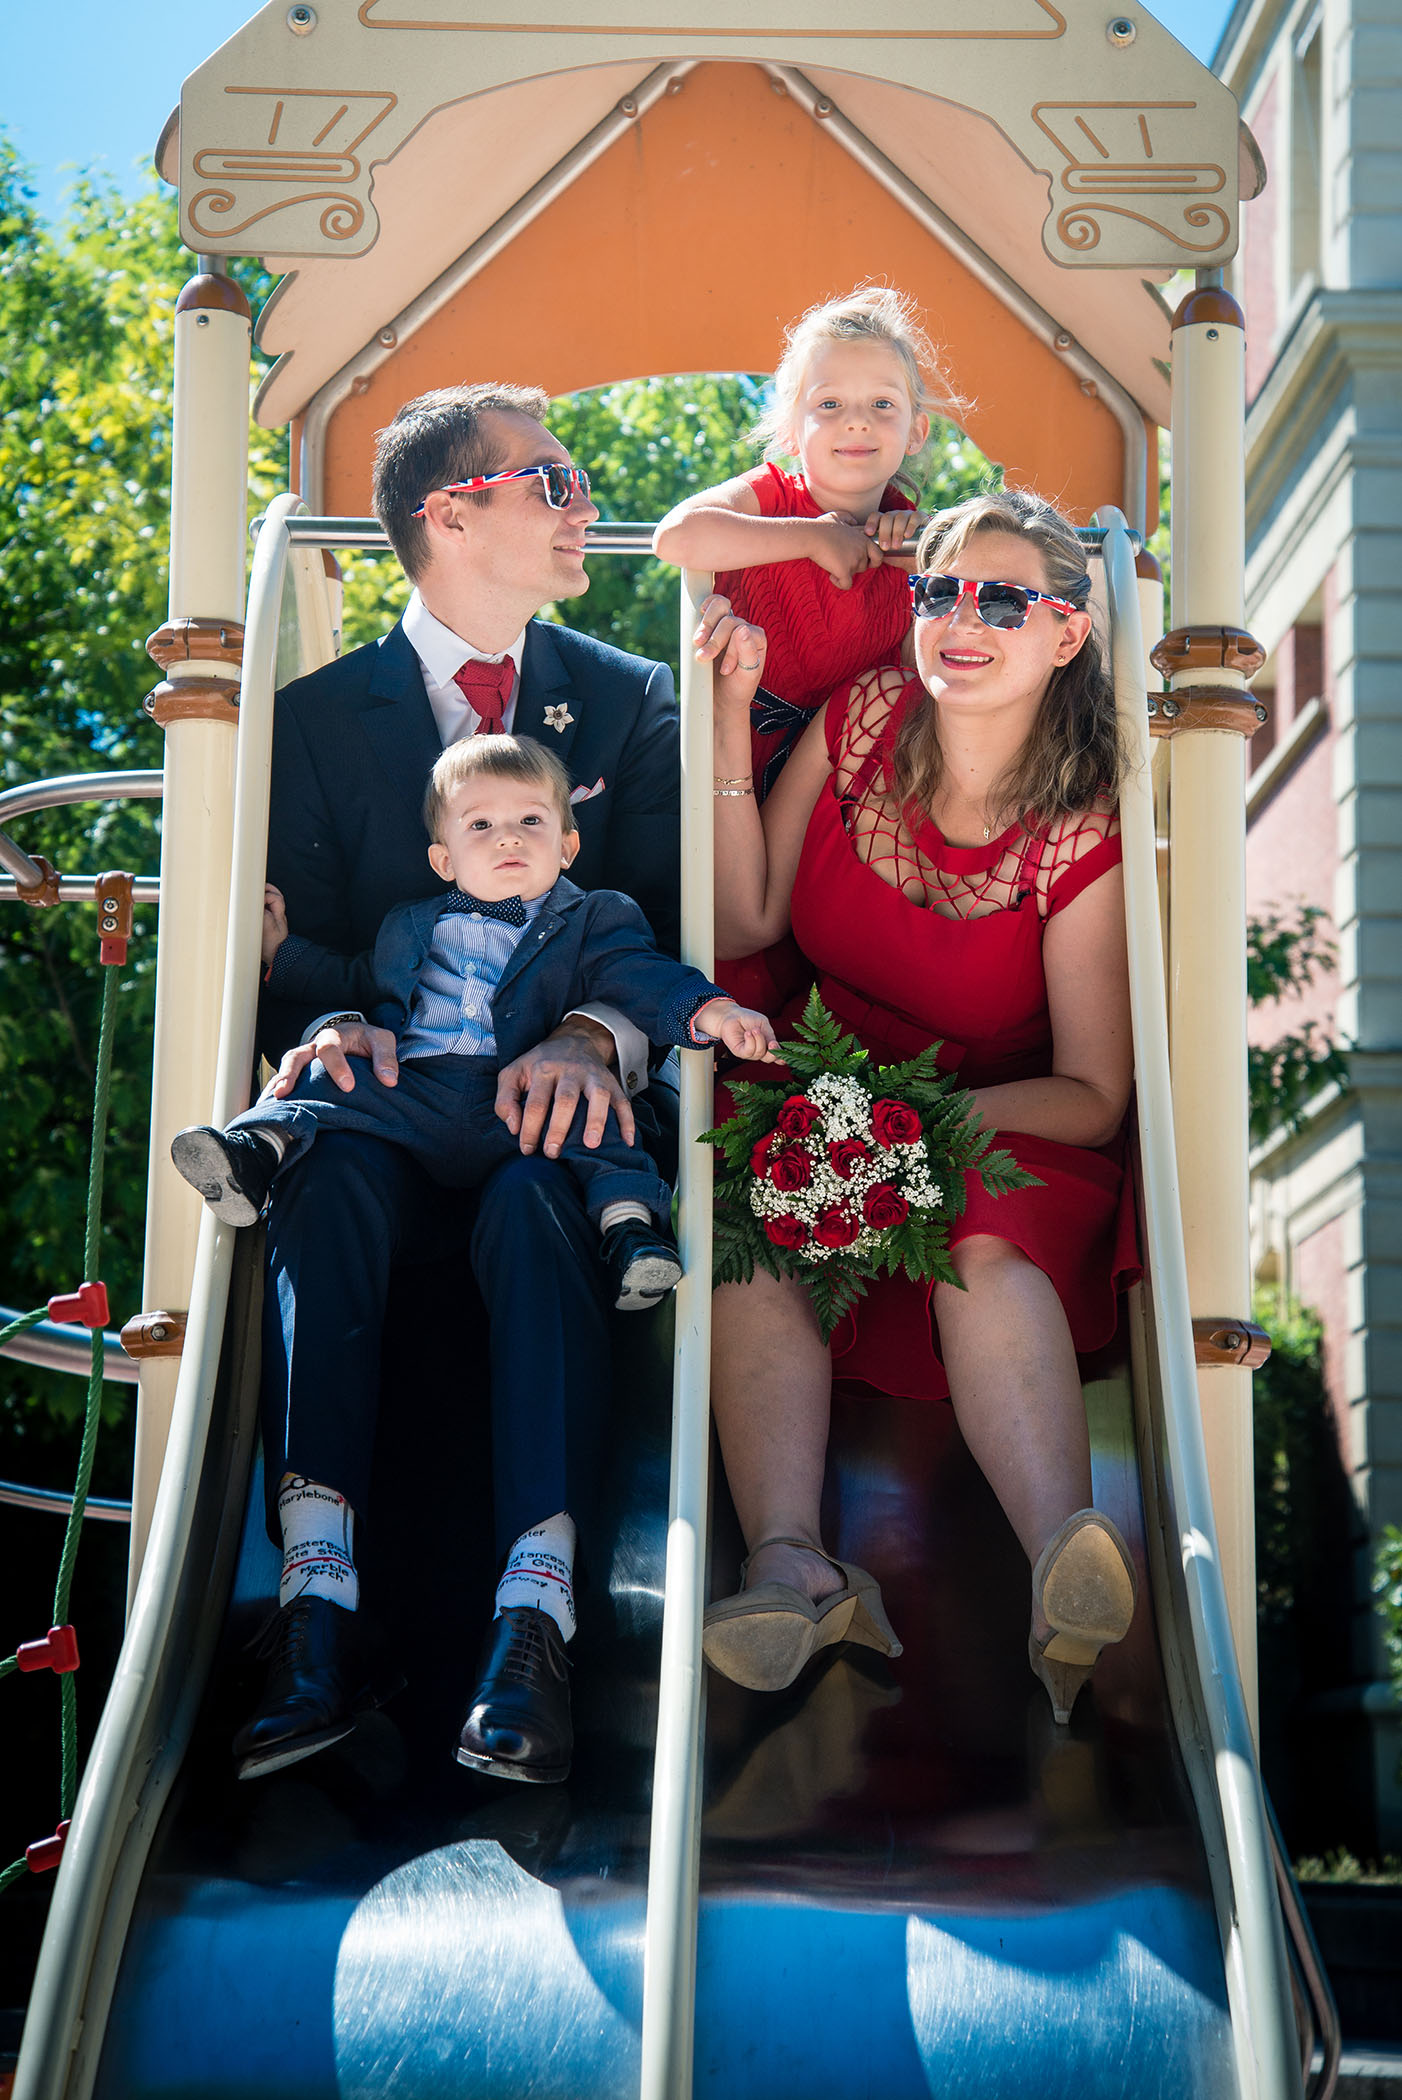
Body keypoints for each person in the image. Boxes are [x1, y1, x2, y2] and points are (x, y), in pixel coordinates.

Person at [237, 383, 684, 1787]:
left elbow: (665, 922)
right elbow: (284, 945)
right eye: (553, 482)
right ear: (451, 513)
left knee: (538, 1203)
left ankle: (535, 1631)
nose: (583, 506)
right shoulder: (307, 719)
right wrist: (330, 1021)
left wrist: (595, 1035)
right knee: (323, 1186)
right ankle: (314, 1612)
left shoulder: (629, 697)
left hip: (537, 1130)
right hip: (389, 1107)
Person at [697, 487, 1141, 1726]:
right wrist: (730, 716)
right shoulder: (859, 720)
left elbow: (1094, 1092)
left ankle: (1062, 1565)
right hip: (818, 1082)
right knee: (747, 1234)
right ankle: (791, 1563)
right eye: (939, 591)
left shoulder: (1082, 829)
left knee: (979, 1235)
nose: (961, 619)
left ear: (1065, 633)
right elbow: (745, 920)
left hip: (1003, 1115)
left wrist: (914, 1130)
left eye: (1002, 600)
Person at [174, 734, 775, 1307]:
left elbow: (643, 976)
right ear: (444, 860)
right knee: (324, 1074)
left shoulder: (593, 917)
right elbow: (353, 980)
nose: (508, 837)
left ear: (568, 846)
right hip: (413, 1090)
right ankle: (254, 1155)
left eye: (531, 820)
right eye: (481, 825)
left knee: (596, 1115)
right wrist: (282, 954)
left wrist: (716, 1012)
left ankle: (629, 1234)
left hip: (516, 1100)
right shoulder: (408, 923)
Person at [653, 285, 951, 1011]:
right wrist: (814, 536)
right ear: (791, 426)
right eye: (829, 404)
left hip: (837, 783)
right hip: (741, 748)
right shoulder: (774, 498)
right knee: (732, 946)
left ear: (916, 431)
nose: (857, 421)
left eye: (882, 404)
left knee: (818, 953)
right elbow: (677, 536)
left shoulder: (918, 538)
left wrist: (931, 548)